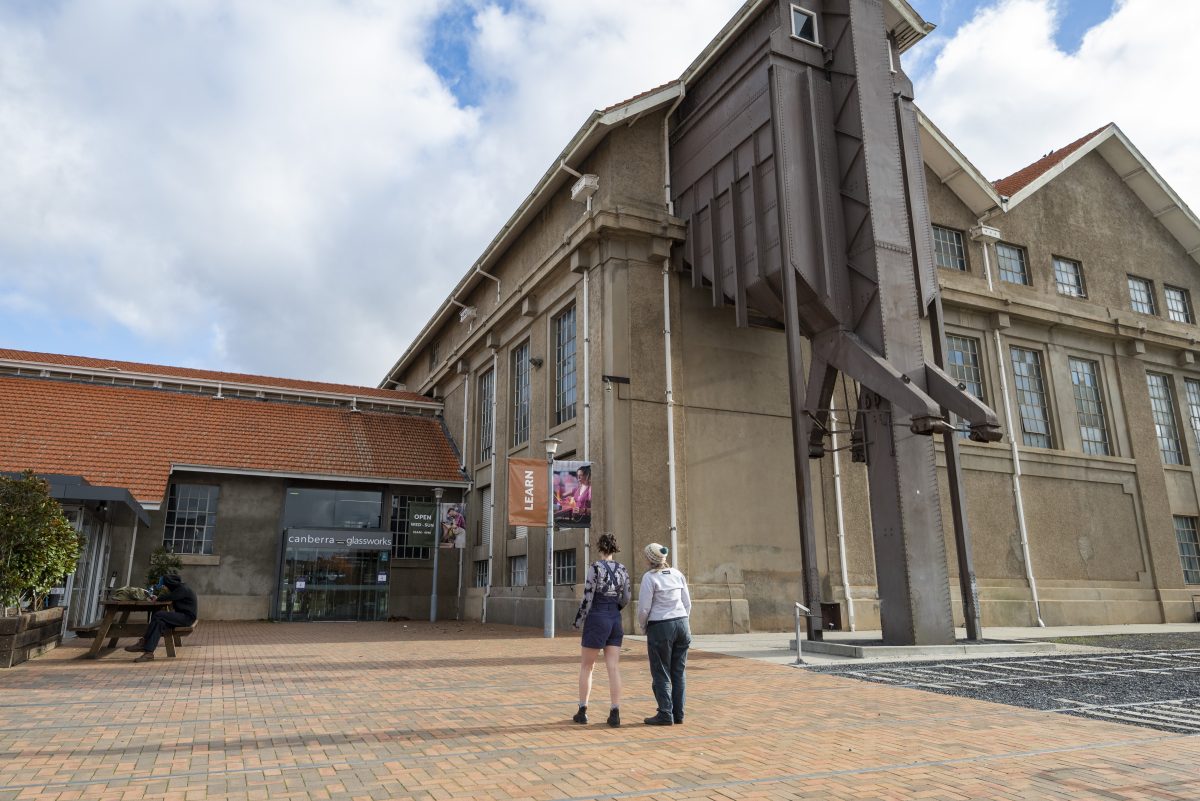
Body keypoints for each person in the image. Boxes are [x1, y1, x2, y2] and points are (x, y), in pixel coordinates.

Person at [571, 532, 630, 727]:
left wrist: (578, 620)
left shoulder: (595, 568)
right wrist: (615, 610)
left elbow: (588, 596)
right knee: (613, 667)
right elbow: (626, 597)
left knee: (587, 666)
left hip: (597, 617)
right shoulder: (622, 569)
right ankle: (615, 712)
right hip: (614, 617)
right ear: (614, 548)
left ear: (599, 547)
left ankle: (583, 710)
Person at [637, 542, 691, 726]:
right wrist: (683, 621)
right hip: (682, 624)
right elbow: (687, 603)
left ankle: (665, 713)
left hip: (661, 626)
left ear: (650, 559)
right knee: (679, 671)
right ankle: (679, 714)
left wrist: (643, 626)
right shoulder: (677, 574)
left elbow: (644, 607)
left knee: (661, 671)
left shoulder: (650, 578)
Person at [124, 574, 198, 663]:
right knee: (159, 623)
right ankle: (149, 653)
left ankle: (143, 642)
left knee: (159, 615)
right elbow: (168, 597)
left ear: (170, 584)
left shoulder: (182, 589)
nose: (165, 587)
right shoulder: (180, 589)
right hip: (182, 616)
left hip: (187, 618)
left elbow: (169, 597)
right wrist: (158, 598)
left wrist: (157, 598)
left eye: (166, 585)